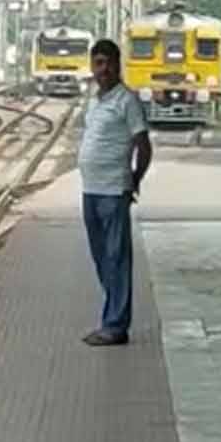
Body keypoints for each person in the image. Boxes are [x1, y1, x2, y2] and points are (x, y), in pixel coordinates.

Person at [78, 38, 153, 347]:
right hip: (90, 190)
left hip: (113, 191)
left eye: (109, 63)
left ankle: (116, 325)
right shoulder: (94, 101)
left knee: (117, 258)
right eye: (98, 63)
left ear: (118, 64)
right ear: (92, 66)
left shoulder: (128, 101)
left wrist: (134, 179)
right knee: (101, 258)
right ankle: (112, 316)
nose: (104, 69)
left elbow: (144, 145)